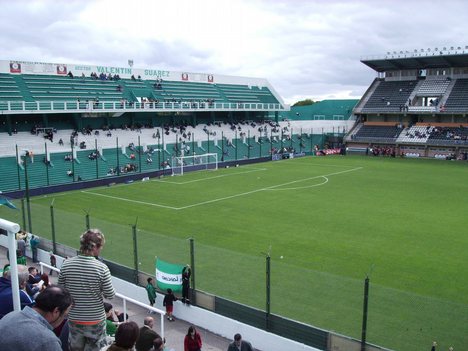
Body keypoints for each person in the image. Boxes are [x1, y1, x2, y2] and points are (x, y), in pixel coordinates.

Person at [58, 229, 115, 351]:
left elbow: (61, 290)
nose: (101, 249)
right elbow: (110, 294)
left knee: (75, 348)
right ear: (95, 248)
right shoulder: (102, 268)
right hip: (95, 319)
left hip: (74, 317)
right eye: (101, 246)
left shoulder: (67, 264)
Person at [0, 285, 73, 351]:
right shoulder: (47, 341)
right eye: (65, 315)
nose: (64, 318)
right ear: (56, 311)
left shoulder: (10, 315)